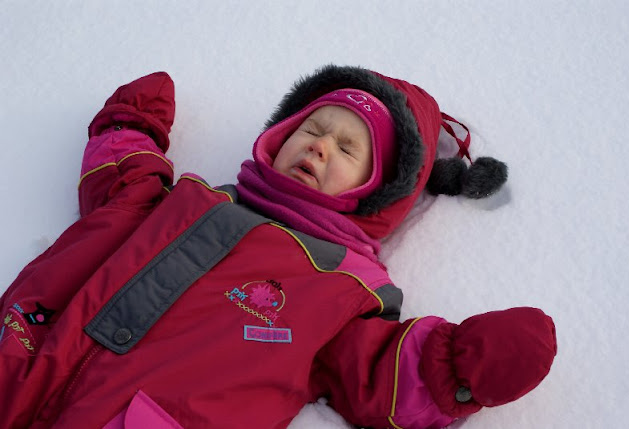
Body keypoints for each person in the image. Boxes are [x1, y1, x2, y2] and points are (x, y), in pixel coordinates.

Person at [0, 66, 556, 429]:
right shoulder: (189, 201)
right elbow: (125, 185)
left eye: (348, 148)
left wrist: (459, 365)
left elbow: (378, 371)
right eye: (311, 129)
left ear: (378, 187)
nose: (320, 146)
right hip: (20, 366)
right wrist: (129, 128)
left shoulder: (341, 289)